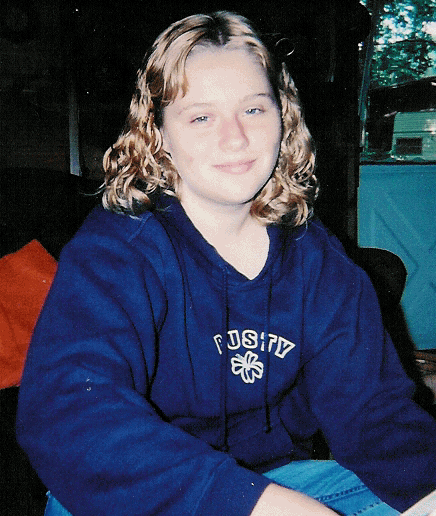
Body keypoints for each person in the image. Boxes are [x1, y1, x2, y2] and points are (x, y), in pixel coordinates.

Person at [16, 11, 436, 516]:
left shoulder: (317, 260)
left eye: (254, 109)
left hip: (276, 480)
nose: (236, 139)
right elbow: (71, 413)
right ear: (157, 133)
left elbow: (374, 414)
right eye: (201, 117)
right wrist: (253, 504)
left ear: (284, 117)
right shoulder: (117, 251)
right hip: (137, 487)